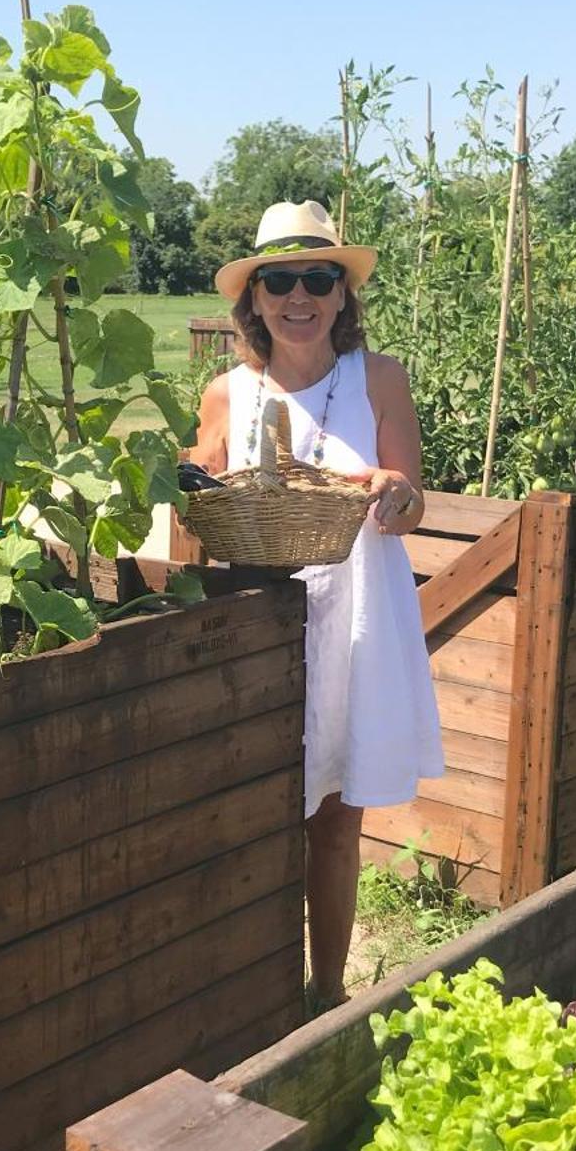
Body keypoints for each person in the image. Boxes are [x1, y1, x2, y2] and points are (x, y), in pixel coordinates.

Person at [193, 199, 444, 1007]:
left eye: (317, 278)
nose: (298, 296)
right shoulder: (227, 393)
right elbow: (195, 499)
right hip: (260, 632)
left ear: (342, 295)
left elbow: (413, 506)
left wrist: (393, 490)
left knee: (335, 821)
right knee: (249, 816)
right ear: (254, 299)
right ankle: (241, 997)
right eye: (280, 281)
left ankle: (326, 996)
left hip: (357, 624)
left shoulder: (378, 377)